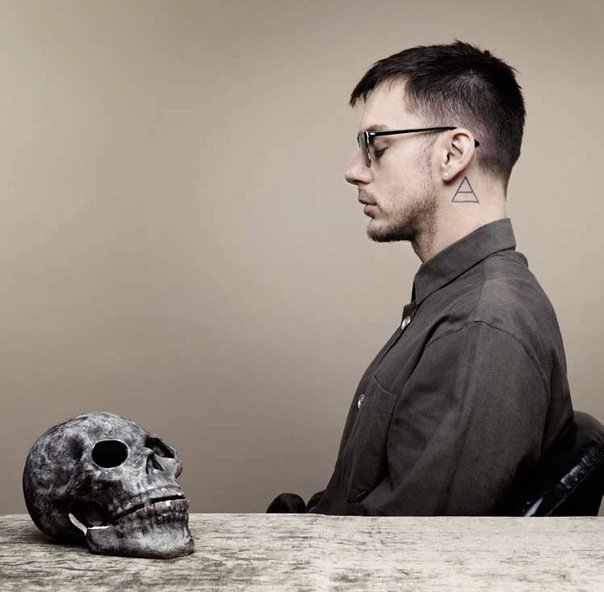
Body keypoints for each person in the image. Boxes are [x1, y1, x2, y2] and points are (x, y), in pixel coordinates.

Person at [267, 40, 574, 515]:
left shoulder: (481, 326)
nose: (353, 171)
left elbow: (408, 551)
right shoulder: (456, 298)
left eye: (376, 145)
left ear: (453, 154)